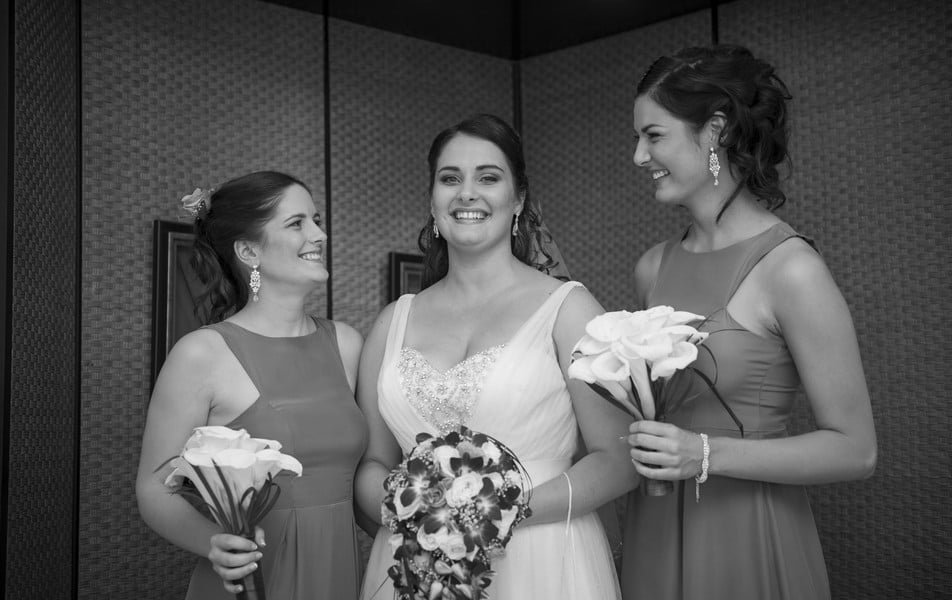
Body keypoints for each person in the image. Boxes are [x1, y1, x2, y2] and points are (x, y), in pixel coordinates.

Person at [622, 45, 877, 600]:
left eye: (654, 136)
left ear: (714, 131)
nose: (639, 156)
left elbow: (856, 450)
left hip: (750, 534)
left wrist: (705, 454)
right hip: (657, 531)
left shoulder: (791, 270)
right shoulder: (652, 268)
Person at [354, 114, 638, 600]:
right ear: (432, 200)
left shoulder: (568, 310)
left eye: (488, 178)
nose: (467, 193)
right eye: (450, 179)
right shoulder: (391, 323)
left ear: (519, 199)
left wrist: (490, 517)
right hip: (415, 563)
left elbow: (617, 460)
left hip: (541, 559)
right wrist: (416, 513)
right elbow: (373, 463)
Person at [135, 171, 367, 600]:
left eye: (316, 220)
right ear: (248, 251)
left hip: (337, 571)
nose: (320, 234)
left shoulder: (348, 345)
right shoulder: (202, 353)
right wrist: (214, 544)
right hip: (252, 578)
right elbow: (154, 488)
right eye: (296, 223)